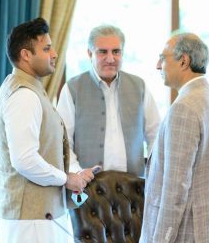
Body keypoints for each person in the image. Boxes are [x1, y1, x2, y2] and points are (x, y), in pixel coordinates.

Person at [0, 17, 94, 243]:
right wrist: (66, 179)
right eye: (46, 48)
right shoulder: (23, 95)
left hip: (42, 215)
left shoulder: (30, 90)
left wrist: (74, 174)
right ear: (26, 55)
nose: (55, 54)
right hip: (31, 221)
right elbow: (24, 160)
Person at [140, 32, 209, 242]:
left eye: (163, 58)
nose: (158, 65)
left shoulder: (184, 107)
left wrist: (161, 239)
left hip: (187, 231)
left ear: (184, 61)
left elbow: (176, 187)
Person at [57, 25, 160, 177]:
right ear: (90, 53)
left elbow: (156, 135)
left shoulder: (140, 86)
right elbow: (62, 141)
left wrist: (153, 173)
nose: (110, 59)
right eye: (103, 52)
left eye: (116, 51)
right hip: (87, 186)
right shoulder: (72, 88)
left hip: (134, 187)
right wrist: (77, 171)